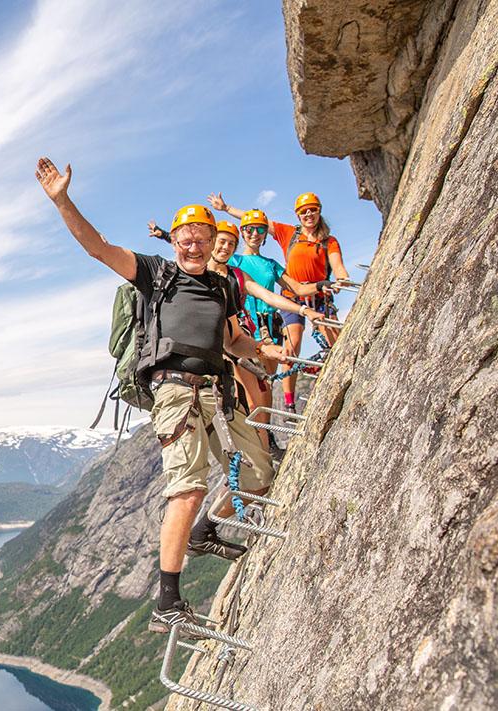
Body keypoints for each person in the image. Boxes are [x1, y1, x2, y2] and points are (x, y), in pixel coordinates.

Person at [35, 157, 284, 636]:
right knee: (187, 487)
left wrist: (268, 352)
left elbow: (233, 341)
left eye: (202, 238)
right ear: (174, 242)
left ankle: (205, 531)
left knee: (258, 477)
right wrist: (63, 201)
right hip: (175, 392)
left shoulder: (221, 287)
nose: (193, 244)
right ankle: (167, 601)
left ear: (213, 244)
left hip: (218, 390)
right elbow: (98, 248)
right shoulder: (156, 274)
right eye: (185, 238)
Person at [208, 192, 351, 411]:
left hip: (269, 327)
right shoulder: (233, 260)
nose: (255, 234)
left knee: (266, 385)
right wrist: (226, 210)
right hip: (243, 328)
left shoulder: (272, 264)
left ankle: (269, 434)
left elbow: (297, 287)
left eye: (260, 231)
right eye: (249, 230)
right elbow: (208, 257)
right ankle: (258, 429)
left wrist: (323, 284)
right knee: (251, 395)